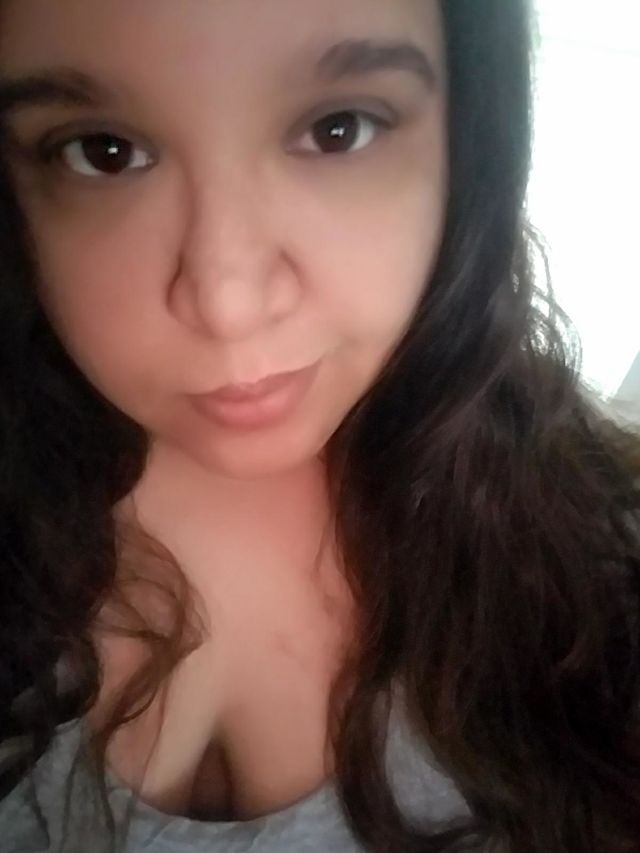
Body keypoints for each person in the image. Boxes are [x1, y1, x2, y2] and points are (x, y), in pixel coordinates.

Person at [0, 1, 638, 851]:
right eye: (103, 152)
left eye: (339, 130)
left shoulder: (594, 530)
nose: (228, 301)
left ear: (467, 140)